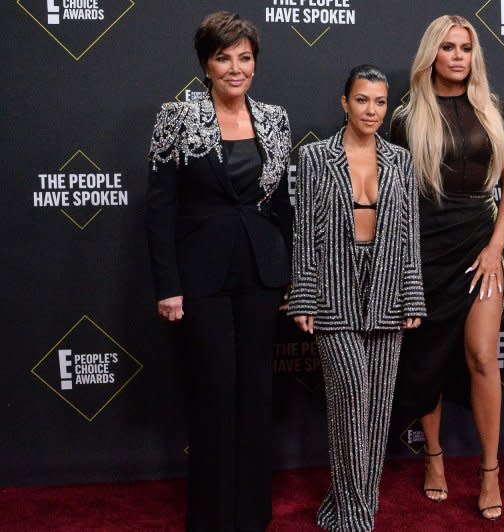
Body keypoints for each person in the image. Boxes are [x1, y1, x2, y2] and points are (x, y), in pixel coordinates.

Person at [145, 12, 292, 531]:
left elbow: (282, 206)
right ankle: (211, 516)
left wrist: (289, 276)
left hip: (259, 271)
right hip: (200, 274)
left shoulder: (274, 118)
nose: (236, 68)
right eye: (223, 58)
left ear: (255, 62)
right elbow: (160, 208)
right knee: (213, 391)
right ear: (206, 64)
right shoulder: (177, 118)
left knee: (256, 393)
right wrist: (169, 286)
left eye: (245, 57)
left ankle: (251, 514)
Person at [390, 14, 504, 521]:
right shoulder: (405, 117)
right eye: (448, 48)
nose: (459, 56)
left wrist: (495, 248)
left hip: (479, 244)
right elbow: (391, 197)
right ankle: (435, 458)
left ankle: (489, 471)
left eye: (466, 47)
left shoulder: (495, 109)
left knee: (483, 356)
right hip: (424, 248)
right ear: (432, 55)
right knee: (428, 359)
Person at [287, 65, 426, 532]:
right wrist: (304, 296)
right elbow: (304, 231)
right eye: (362, 100)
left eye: (380, 102)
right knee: (350, 398)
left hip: (387, 288)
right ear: (344, 103)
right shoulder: (313, 158)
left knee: (377, 408)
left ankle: (350, 506)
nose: (372, 110)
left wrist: (412, 296)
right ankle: (355, 517)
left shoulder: (400, 160)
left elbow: (409, 233)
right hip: (334, 289)